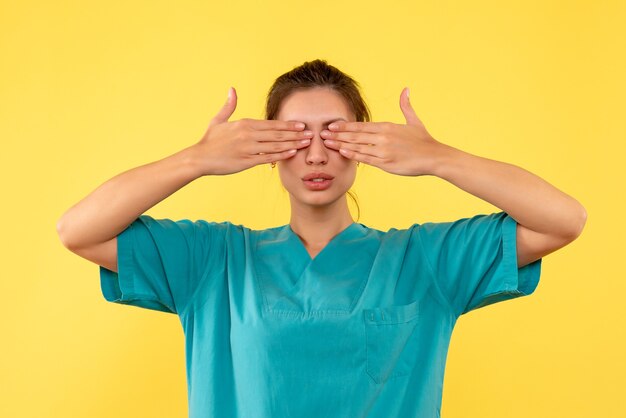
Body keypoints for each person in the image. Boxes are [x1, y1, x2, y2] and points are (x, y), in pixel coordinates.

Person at [57, 59, 587, 418]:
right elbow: (78, 230)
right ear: (265, 145)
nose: (315, 155)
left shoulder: (424, 261)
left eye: (335, 134)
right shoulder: (214, 261)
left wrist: (438, 158)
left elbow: (563, 219)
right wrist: (195, 160)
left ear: (364, 143)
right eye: (294, 136)